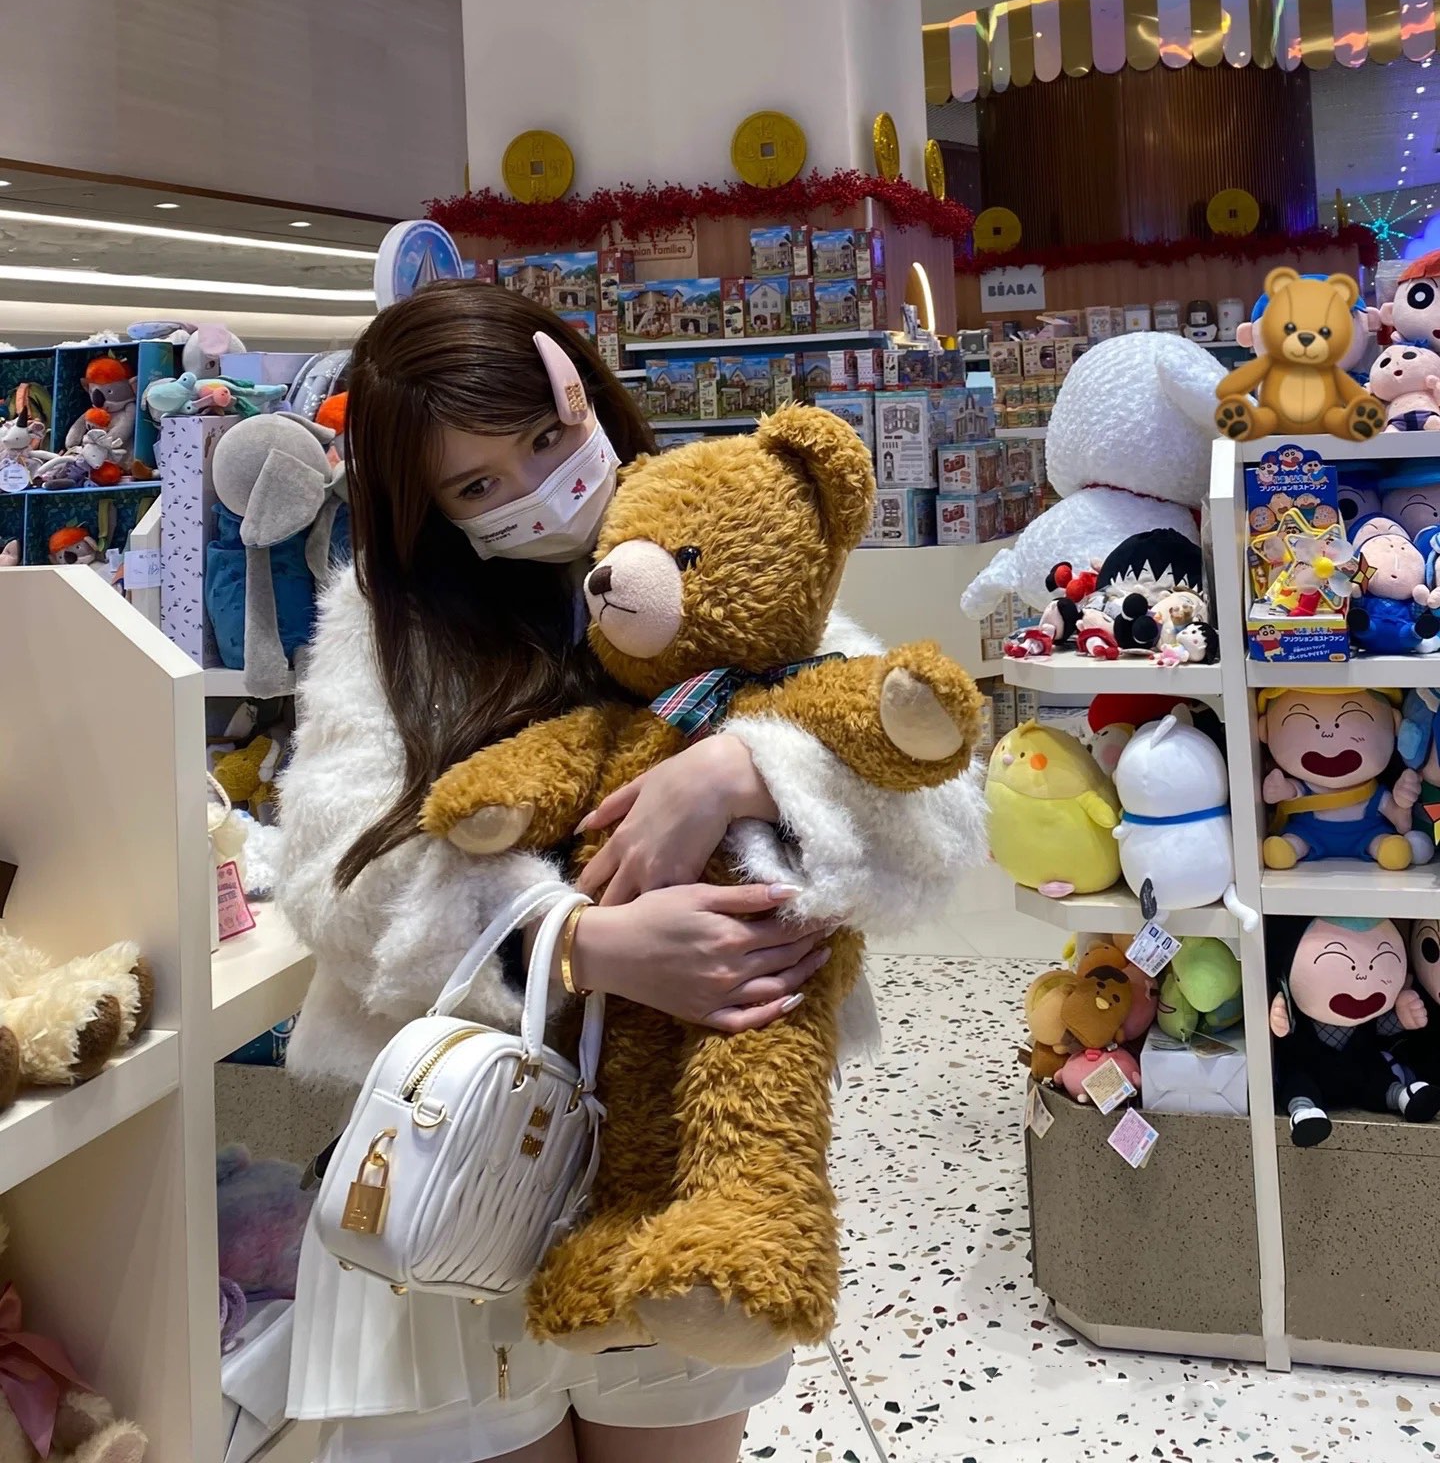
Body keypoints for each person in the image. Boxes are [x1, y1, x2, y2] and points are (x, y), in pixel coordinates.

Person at [277, 279, 974, 1463]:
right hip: (469, 1156)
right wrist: (577, 944)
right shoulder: (389, 623)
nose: (534, 487)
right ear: (426, 511)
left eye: (544, 438)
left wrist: (743, 768)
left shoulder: (722, 535)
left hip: (687, 1151)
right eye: (475, 485)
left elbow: (936, 805)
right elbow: (334, 870)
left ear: (588, 398)